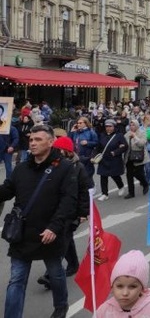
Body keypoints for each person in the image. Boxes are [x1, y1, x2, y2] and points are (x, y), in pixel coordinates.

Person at [0, 124, 78, 318]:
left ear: (50, 142)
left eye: (38, 140)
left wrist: (54, 227)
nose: (33, 143)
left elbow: (68, 201)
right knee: (16, 280)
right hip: (22, 234)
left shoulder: (65, 168)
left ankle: (61, 306)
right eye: (31, 140)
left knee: (56, 274)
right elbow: (7, 191)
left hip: (49, 234)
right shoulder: (21, 168)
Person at [37, 136, 91, 288]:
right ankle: (73, 264)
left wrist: (82, 213)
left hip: (71, 212)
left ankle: (49, 275)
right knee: (67, 239)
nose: (56, 153)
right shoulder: (52, 165)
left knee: (61, 240)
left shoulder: (77, 167)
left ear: (67, 152)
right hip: (56, 210)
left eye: (60, 150)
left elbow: (85, 191)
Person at [96, 250, 150, 317]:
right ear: (112, 287)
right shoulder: (104, 310)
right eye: (119, 286)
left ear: (142, 288)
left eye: (132, 287)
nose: (125, 293)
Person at [95, 119, 129, 201]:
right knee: (103, 176)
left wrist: (116, 152)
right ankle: (104, 194)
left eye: (110, 126)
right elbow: (98, 147)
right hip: (104, 159)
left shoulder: (119, 135)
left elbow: (125, 146)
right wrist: (94, 156)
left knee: (115, 175)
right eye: (106, 126)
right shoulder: (102, 135)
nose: (108, 128)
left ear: (114, 127)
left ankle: (120, 186)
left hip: (114, 159)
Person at [124, 119, 150, 199]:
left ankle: (145, 184)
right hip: (129, 157)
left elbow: (142, 144)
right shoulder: (127, 134)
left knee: (139, 173)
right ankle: (131, 193)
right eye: (130, 125)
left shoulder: (142, 133)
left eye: (133, 125)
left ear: (137, 125)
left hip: (139, 156)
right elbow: (124, 144)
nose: (132, 127)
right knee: (129, 175)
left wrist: (135, 137)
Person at [69, 116, 98, 182]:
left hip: (87, 156)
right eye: (77, 123)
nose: (78, 124)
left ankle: (91, 187)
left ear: (85, 123)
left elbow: (96, 143)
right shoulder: (76, 132)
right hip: (76, 156)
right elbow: (69, 141)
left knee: (87, 174)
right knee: (77, 174)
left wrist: (87, 143)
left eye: (80, 123)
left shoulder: (91, 132)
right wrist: (71, 131)